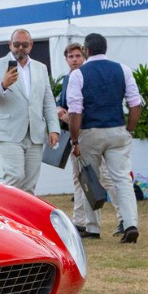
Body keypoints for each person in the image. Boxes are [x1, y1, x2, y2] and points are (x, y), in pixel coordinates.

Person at [66, 33, 143, 244]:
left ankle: (92, 227)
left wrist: (75, 140)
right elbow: (135, 104)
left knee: (90, 178)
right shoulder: (123, 69)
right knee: (122, 179)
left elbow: (75, 110)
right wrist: (130, 130)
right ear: (105, 48)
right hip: (117, 129)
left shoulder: (78, 75)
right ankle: (130, 224)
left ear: (86, 51)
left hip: (90, 132)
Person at [0, 28, 60, 194]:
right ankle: (3, 210)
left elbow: (48, 100)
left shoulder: (41, 68)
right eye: (16, 44)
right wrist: (3, 84)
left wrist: (54, 128)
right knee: (15, 177)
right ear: (10, 45)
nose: (20, 48)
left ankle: (21, 213)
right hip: (9, 132)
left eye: (24, 45)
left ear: (31, 45)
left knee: (29, 185)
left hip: (35, 133)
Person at [56, 43, 99, 238]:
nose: (74, 60)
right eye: (71, 57)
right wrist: (60, 110)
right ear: (66, 59)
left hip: (88, 132)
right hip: (73, 133)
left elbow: (92, 106)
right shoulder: (67, 78)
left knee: (96, 178)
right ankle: (80, 221)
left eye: (77, 56)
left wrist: (72, 118)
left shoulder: (87, 76)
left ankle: (121, 220)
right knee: (78, 178)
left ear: (84, 57)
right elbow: (62, 102)